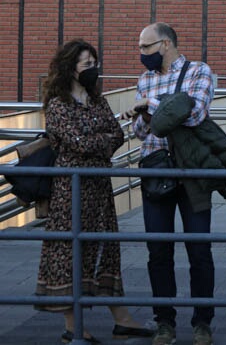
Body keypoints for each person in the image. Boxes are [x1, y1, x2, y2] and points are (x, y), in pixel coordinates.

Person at [34, 39, 153, 344]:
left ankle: (122, 319)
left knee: (106, 249)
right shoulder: (59, 104)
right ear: (70, 68)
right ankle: (74, 327)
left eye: (94, 63)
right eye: (86, 64)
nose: (92, 70)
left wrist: (97, 139)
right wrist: (99, 139)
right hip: (70, 190)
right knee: (71, 252)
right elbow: (79, 143)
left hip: (99, 187)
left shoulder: (97, 100)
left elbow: (115, 136)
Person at [125, 22, 218, 345]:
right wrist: (152, 115)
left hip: (192, 172)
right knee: (158, 251)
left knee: (199, 249)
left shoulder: (199, 72)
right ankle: (164, 322)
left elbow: (194, 114)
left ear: (165, 44)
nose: (141, 54)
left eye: (146, 47)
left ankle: (202, 323)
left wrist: (149, 108)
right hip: (156, 170)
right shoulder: (145, 79)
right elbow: (139, 132)